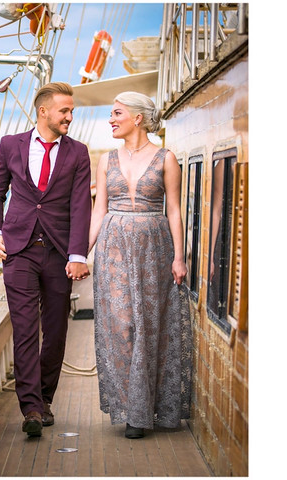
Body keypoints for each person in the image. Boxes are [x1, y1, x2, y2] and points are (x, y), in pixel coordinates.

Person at [0, 81, 92, 437]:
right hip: (18, 250)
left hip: (59, 252)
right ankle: (31, 407)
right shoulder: (10, 145)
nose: (70, 117)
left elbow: (81, 206)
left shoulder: (78, 153)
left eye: (72, 112)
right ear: (44, 111)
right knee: (26, 330)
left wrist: (78, 254)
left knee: (57, 330)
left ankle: (44, 398)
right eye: (65, 111)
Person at [88, 91, 191, 439]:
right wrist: (79, 255)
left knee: (149, 325)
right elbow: (99, 210)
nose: (111, 120)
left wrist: (179, 256)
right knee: (121, 327)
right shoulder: (105, 160)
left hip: (154, 248)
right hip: (113, 249)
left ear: (138, 118)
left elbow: (174, 210)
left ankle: (143, 413)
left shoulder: (166, 158)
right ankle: (129, 406)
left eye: (117, 113)